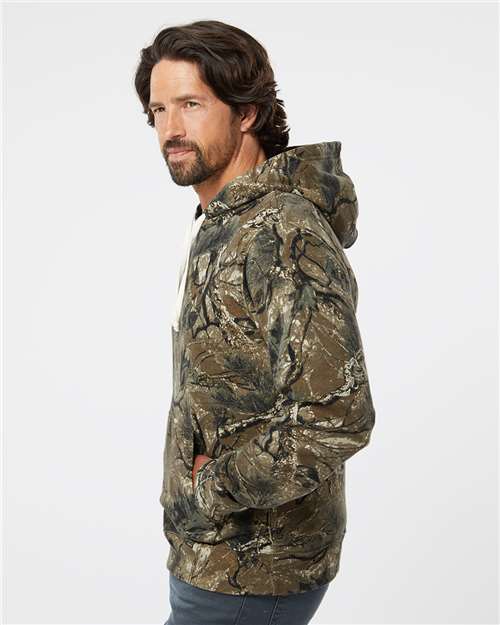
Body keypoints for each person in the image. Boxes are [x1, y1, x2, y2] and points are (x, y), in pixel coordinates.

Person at [134, 19, 376, 625]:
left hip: (253, 572)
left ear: (247, 113)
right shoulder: (222, 222)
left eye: (191, 104)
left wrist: (211, 486)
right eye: (159, 109)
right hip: (212, 561)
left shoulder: (281, 233)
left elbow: (338, 415)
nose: (170, 129)